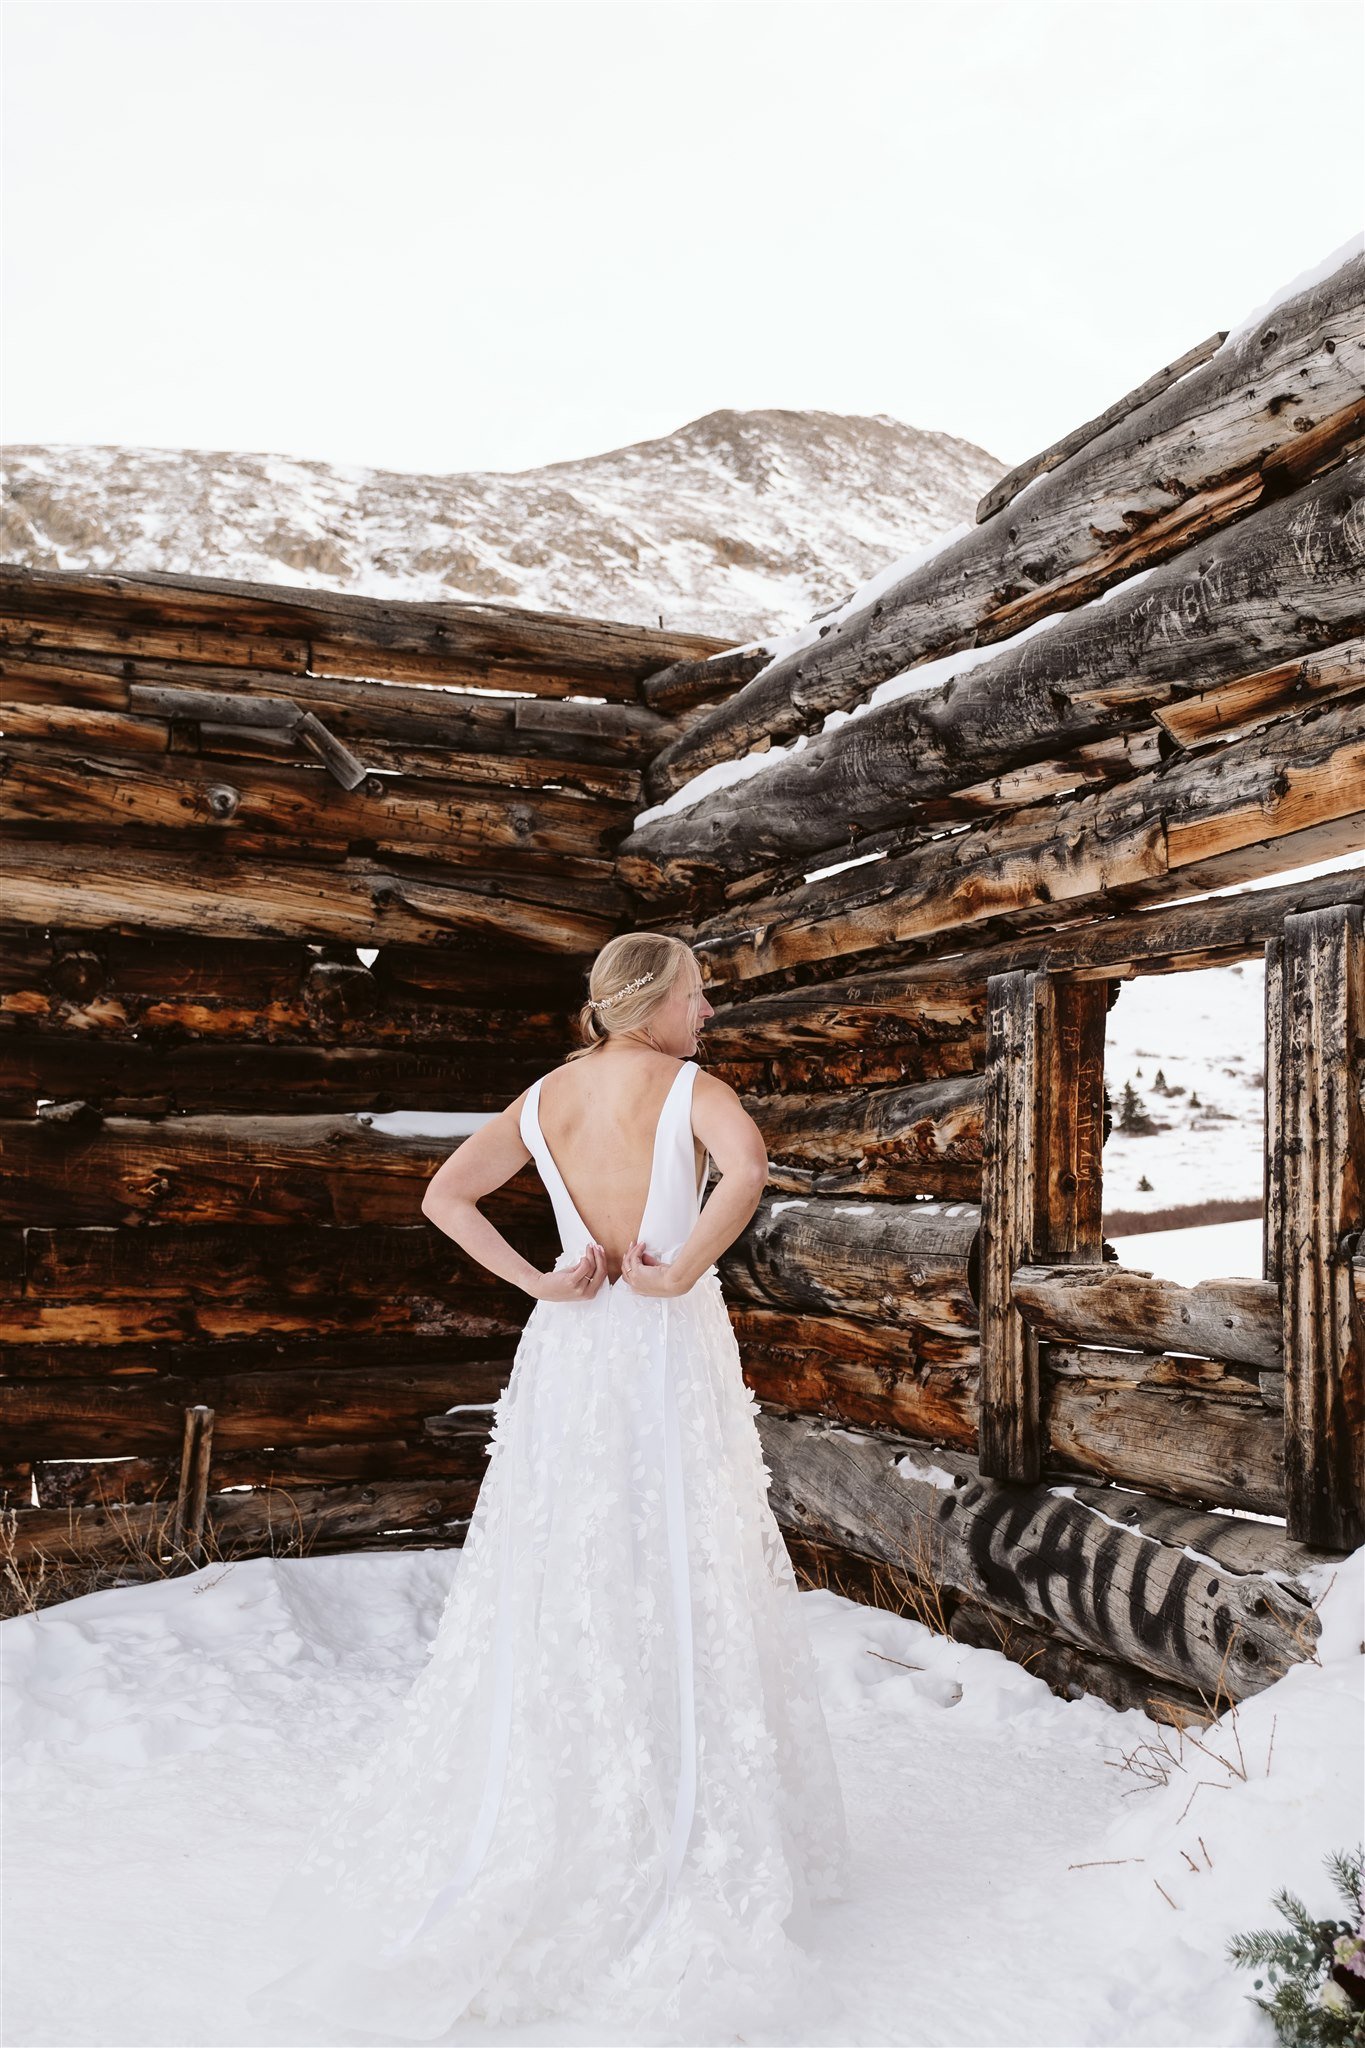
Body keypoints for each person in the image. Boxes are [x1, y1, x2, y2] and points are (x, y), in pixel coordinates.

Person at [246, 931, 849, 2042]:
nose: (709, 1008)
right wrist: (683, 1265)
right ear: (659, 1001)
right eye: (700, 991)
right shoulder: (688, 1086)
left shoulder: (548, 1096)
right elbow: (751, 1165)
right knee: (676, 1537)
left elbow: (445, 1194)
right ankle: (665, 1783)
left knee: (574, 1545)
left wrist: (538, 1278)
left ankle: (583, 1767)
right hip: (663, 1342)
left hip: (575, 1344)